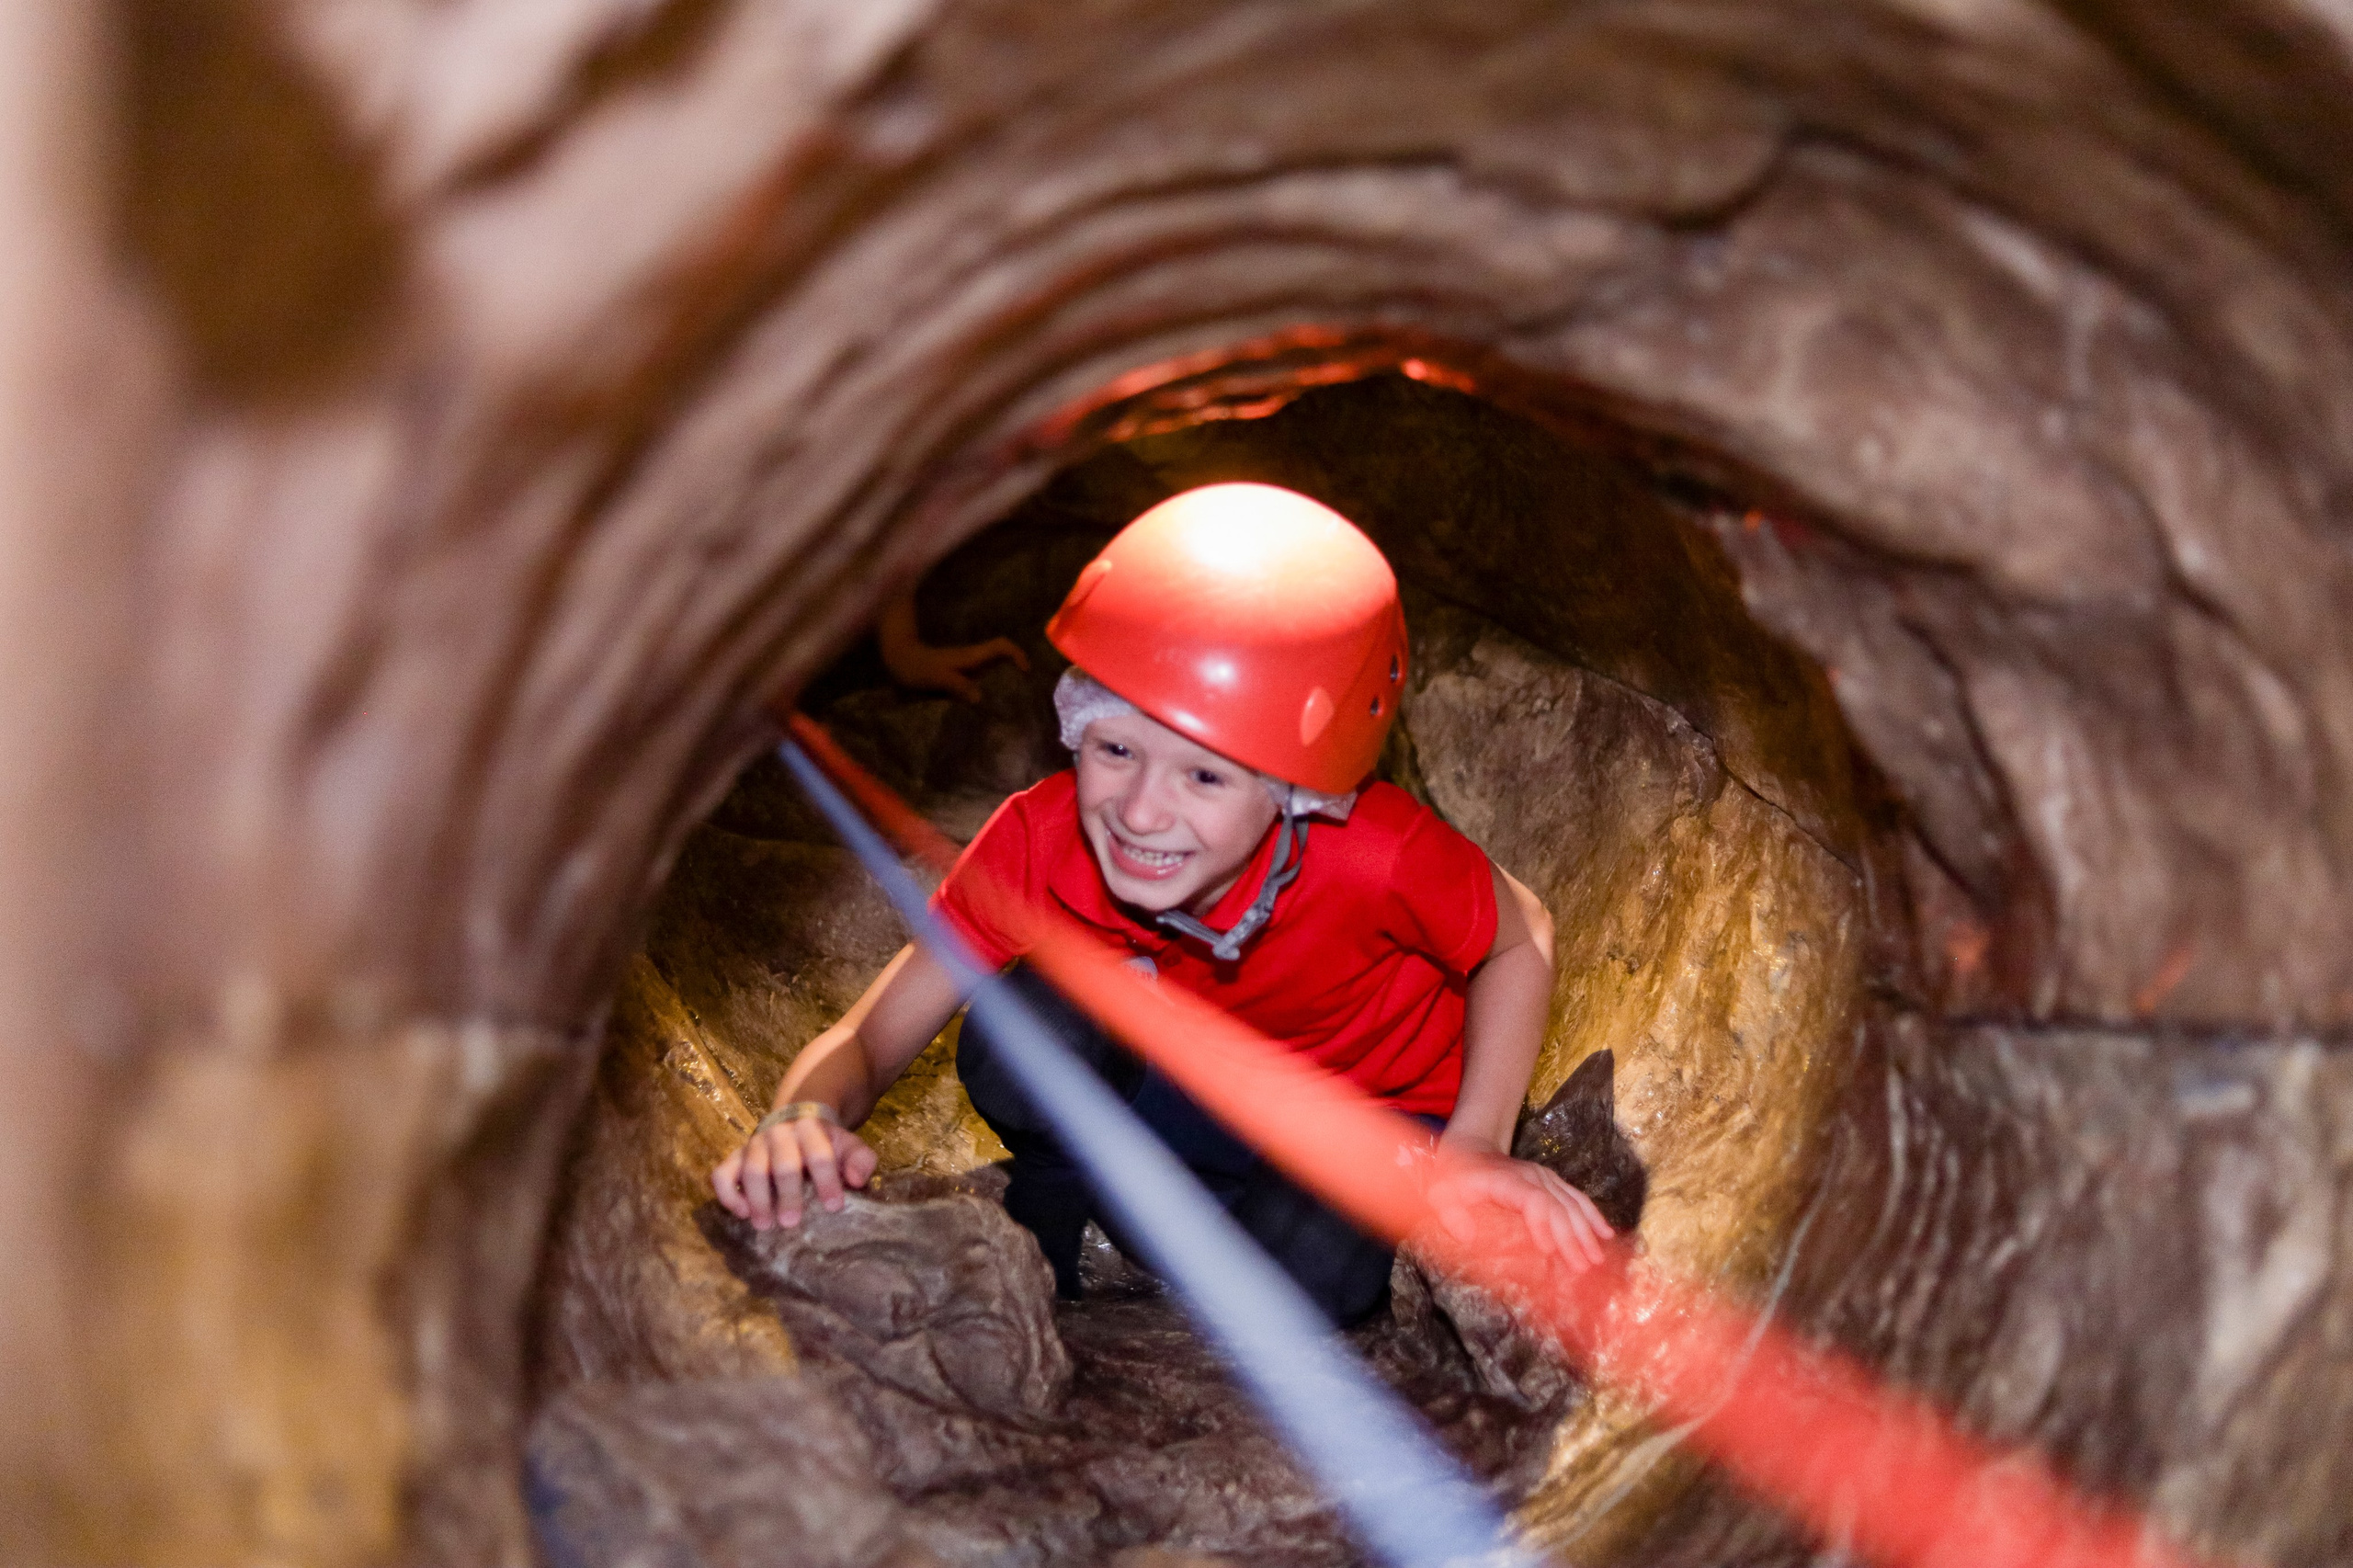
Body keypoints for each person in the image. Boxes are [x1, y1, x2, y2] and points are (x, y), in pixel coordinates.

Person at [714, 483, 1614, 1325]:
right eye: (1114, 750)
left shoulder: (1376, 851)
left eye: (1204, 772)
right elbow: (869, 1039)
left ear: (1295, 791)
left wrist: (1475, 1144)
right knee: (1022, 1033)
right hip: (1196, 1092)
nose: (1141, 811)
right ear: (1073, 726)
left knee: (1315, 1274)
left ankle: (1150, 1224)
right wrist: (803, 1115)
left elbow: (1519, 931)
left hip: (1362, 1114)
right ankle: (1088, 1192)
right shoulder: (1040, 838)